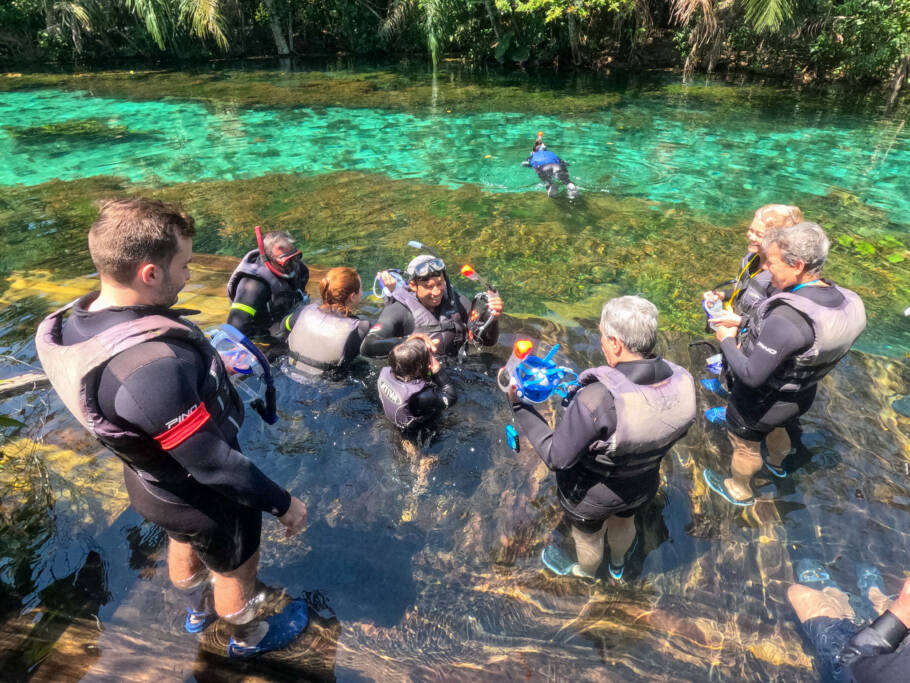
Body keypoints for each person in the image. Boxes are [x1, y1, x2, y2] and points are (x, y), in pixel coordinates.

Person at [35, 199, 310, 659]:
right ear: (149, 273)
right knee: (234, 567)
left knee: (183, 540)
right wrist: (283, 504)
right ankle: (248, 635)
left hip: (152, 484)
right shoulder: (150, 370)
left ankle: (195, 608)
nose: (188, 274)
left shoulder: (76, 323)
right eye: (183, 264)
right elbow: (216, 465)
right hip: (201, 497)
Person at [510, 296, 696, 580]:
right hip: (642, 486)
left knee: (589, 538)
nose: (600, 343)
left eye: (601, 336)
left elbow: (556, 457)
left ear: (616, 344)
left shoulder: (596, 399)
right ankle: (618, 565)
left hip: (591, 498)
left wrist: (519, 406)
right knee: (625, 522)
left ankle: (586, 573)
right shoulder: (682, 380)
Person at [703, 222, 867, 506]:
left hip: (759, 406)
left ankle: (739, 489)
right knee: (779, 430)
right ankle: (778, 464)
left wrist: (727, 338)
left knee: (745, 447)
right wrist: (743, 321)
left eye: (773, 263)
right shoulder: (846, 301)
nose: (766, 269)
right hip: (801, 395)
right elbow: (802, 342)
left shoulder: (787, 318)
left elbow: (751, 375)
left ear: (798, 265)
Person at [360, 254, 503, 359]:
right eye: (428, 287)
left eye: (440, 284)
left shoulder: (456, 301)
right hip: (419, 378)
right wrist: (407, 341)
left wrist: (490, 315)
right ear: (413, 286)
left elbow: (486, 341)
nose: (436, 292)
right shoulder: (399, 311)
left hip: (456, 370)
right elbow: (367, 346)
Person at [788, 560, 910, 681]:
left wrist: (900, 611)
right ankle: (875, 601)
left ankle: (865, 599)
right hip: (892, 656)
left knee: (796, 593)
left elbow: (853, 665)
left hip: (855, 666)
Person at [704, 204, 804, 330]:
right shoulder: (752, 257)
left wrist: (740, 322)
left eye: (758, 234)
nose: (750, 236)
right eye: (751, 230)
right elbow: (747, 292)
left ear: (778, 241)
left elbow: (776, 328)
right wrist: (721, 295)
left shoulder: (782, 278)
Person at [226, 228, 309, 343]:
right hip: (268, 333)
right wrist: (269, 341)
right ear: (269, 260)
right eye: (286, 262)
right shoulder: (253, 286)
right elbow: (235, 328)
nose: (293, 265)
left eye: (295, 257)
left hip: (289, 318)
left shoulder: (297, 267)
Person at [286, 266, 370, 374]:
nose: (362, 292)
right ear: (352, 296)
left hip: (293, 371)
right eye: (361, 288)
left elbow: (284, 326)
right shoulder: (359, 328)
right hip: (331, 384)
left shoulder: (304, 311)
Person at [377, 334, 457, 430]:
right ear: (418, 369)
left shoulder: (388, 372)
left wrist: (412, 341)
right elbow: (451, 397)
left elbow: (402, 354)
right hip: (416, 433)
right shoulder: (421, 397)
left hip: (394, 417)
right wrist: (438, 370)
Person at [521, 132, 578, 199]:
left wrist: (528, 164)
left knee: (547, 181)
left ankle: (550, 186)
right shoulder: (551, 153)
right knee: (564, 179)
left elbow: (524, 164)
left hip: (543, 167)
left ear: (533, 152)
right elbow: (564, 163)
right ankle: (569, 184)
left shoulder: (532, 156)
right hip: (556, 166)